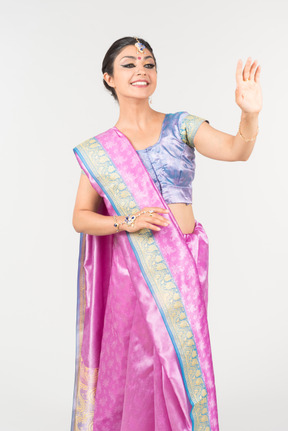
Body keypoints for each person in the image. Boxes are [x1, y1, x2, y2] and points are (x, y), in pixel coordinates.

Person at [70, 36, 262, 431]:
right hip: (130, 271)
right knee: (135, 364)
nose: (141, 70)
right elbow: (81, 218)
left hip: (182, 262)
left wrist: (249, 115)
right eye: (128, 64)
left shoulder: (182, 125)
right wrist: (128, 222)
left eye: (149, 63)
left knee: (179, 362)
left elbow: (237, 150)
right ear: (108, 78)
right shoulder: (101, 150)